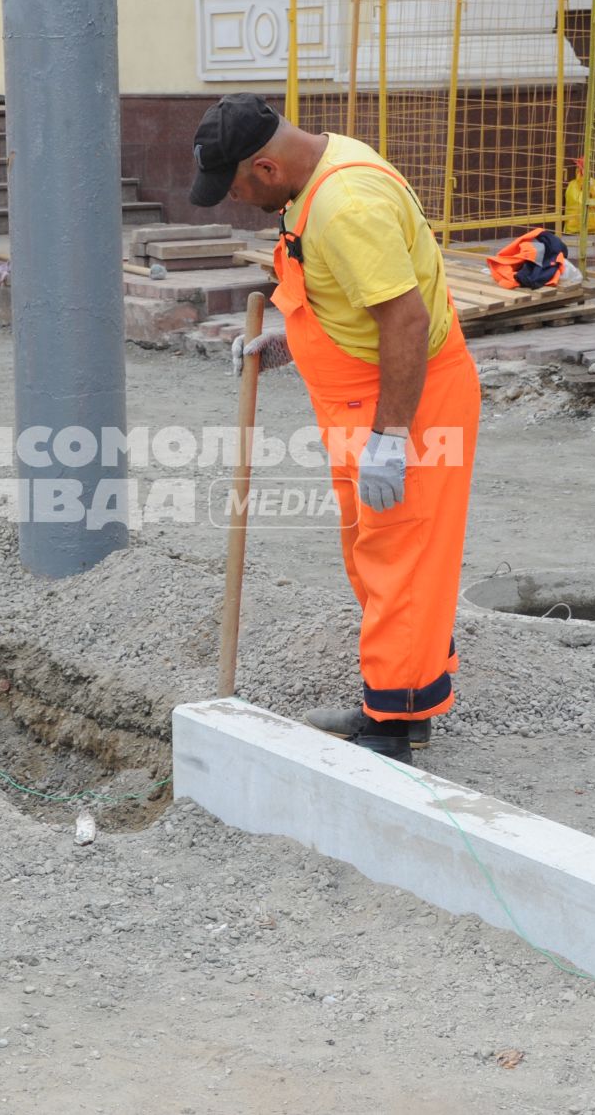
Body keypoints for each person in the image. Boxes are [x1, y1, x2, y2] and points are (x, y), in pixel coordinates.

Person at [189, 94, 481, 762]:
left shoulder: (346, 206)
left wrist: (392, 438)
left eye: (234, 187)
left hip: (407, 404)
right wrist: (288, 345)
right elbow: (348, 298)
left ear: (265, 167)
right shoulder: (316, 175)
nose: (235, 200)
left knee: (398, 557)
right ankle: (402, 698)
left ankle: (389, 730)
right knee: (376, 555)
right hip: (366, 403)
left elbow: (403, 321)